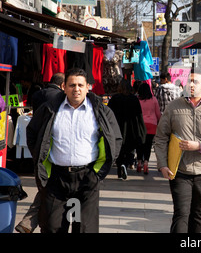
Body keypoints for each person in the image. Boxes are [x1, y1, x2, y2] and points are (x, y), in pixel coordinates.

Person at [26, 68, 122, 233]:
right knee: (52, 227)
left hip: (87, 178)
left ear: (87, 87)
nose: (76, 89)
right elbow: (32, 133)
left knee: (85, 228)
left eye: (80, 85)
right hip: (56, 178)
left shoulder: (101, 111)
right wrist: (40, 160)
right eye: (71, 85)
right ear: (64, 86)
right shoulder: (50, 109)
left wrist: (97, 174)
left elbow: (115, 139)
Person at [154, 68, 201, 233]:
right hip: (179, 169)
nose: (191, 85)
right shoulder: (174, 107)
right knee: (181, 213)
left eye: (196, 82)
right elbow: (160, 138)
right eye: (189, 81)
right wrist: (162, 164)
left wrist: (200, 146)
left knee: (197, 213)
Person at [15, 73, 65, 233]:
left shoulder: (38, 94)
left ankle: (29, 223)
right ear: (63, 85)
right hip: (55, 152)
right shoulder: (61, 100)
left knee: (48, 189)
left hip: (42, 149)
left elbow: (31, 129)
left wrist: (35, 151)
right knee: (50, 191)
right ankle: (31, 223)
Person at [108, 79, 147, 180]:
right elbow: (139, 116)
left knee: (119, 149)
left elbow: (109, 114)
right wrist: (141, 129)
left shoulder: (114, 98)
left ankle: (120, 170)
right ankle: (125, 164)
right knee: (130, 150)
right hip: (131, 129)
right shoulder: (134, 99)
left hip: (117, 127)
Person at [137, 82, 161, 174]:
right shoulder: (154, 100)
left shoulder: (137, 100)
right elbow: (158, 113)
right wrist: (159, 122)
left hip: (140, 125)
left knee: (140, 145)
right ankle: (146, 163)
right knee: (148, 145)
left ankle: (139, 163)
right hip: (152, 125)